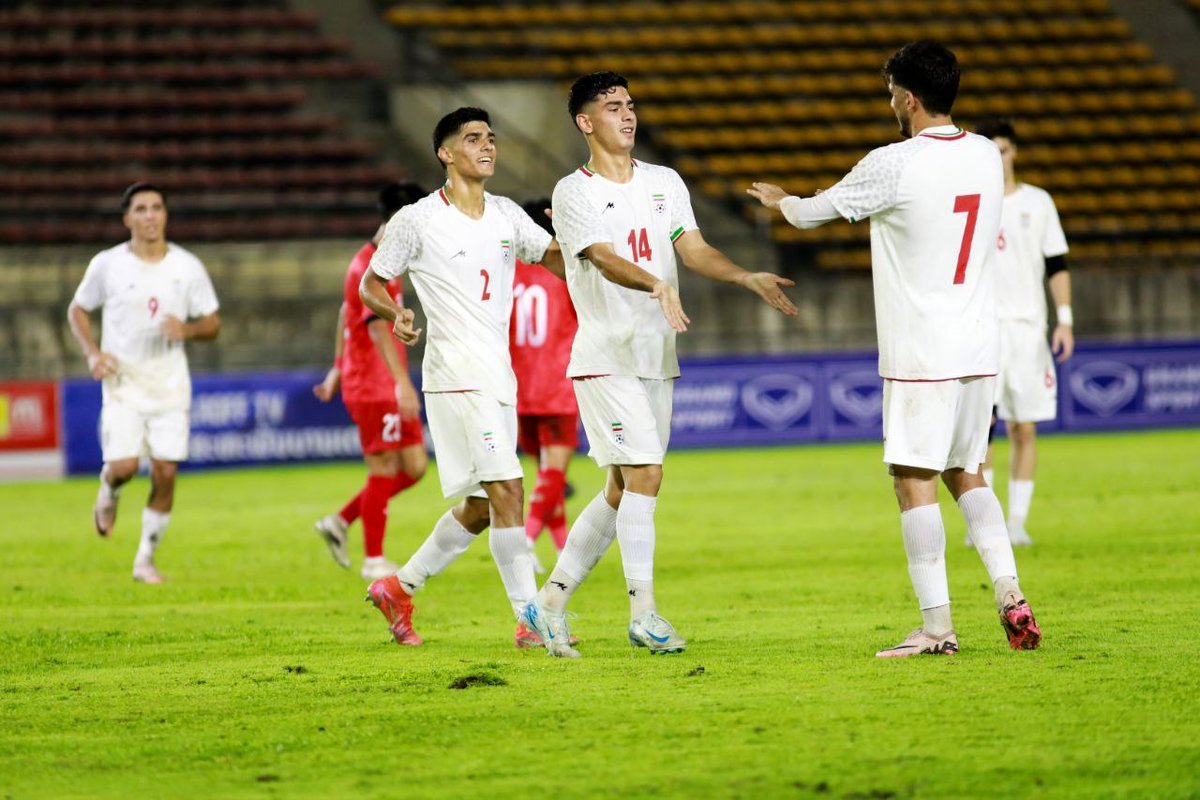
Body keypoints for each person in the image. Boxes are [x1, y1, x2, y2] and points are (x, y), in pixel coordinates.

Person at [748, 41, 1042, 657]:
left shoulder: (894, 163)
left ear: (908, 98)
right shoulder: (988, 155)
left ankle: (936, 628)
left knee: (913, 482)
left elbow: (813, 214)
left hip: (922, 352)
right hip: (976, 347)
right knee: (969, 474)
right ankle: (1011, 594)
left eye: (889, 93)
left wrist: (782, 202)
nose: (889, 102)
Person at [521, 71, 798, 658]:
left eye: (631, 104)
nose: (627, 115)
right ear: (584, 122)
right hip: (604, 358)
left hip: (655, 357)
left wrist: (745, 275)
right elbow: (600, 257)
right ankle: (643, 613)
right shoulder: (574, 193)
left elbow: (692, 249)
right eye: (612, 106)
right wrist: (654, 283)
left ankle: (547, 605)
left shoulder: (664, 181)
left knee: (622, 488)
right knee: (646, 474)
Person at [359, 107, 566, 649]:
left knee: (483, 504)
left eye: (491, 138)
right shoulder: (417, 219)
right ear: (445, 154)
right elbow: (371, 285)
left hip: (498, 376)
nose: (488, 146)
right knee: (509, 487)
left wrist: (589, 244)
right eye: (473, 139)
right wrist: (396, 313)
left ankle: (399, 587)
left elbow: (554, 257)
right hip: (455, 374)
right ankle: (531, 619)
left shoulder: (504, 215)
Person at [67, 182, 220, 583]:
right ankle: (109, 491)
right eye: (141, 209)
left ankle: (145, 559)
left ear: (165, 215)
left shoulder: (187, 266)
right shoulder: (108, 264)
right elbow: (77, 310)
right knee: (123, 467)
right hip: (123, 383)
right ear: (127, 218)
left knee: (165, 472)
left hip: (170, 384)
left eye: (156, 208)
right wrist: (92, 353)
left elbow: (212, 321)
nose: (150, 215)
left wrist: (187, 331)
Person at [312, 182, 429, 579]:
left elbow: (347, 314)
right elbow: (377, 328)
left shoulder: (376, 260)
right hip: (376, 384)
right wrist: (402, 384)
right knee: (383, 466)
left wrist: (335, 367)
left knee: (414, 467)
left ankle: (341, 520)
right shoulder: (373, 265)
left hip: (374, 377)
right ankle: (374, 559)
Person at [973, 117, 1074, 547]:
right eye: (991, 151)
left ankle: (1016, 521)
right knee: (983, 428)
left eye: (1004, 150)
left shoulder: (1038, 202)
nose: (999, 158)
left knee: (1024, 427)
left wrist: (1065, 318)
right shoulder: (974, 203)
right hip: (983, 328)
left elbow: (1057, 264)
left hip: (1029, 329)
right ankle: (987, 524)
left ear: (1014, 152)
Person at [509, 198, 580, 575]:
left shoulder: (513, 271)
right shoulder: (561, 268)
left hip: (520, 385)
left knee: (547, 474)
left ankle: (562, 545)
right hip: (557, 382)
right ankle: (525, 540)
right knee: (555, 471)